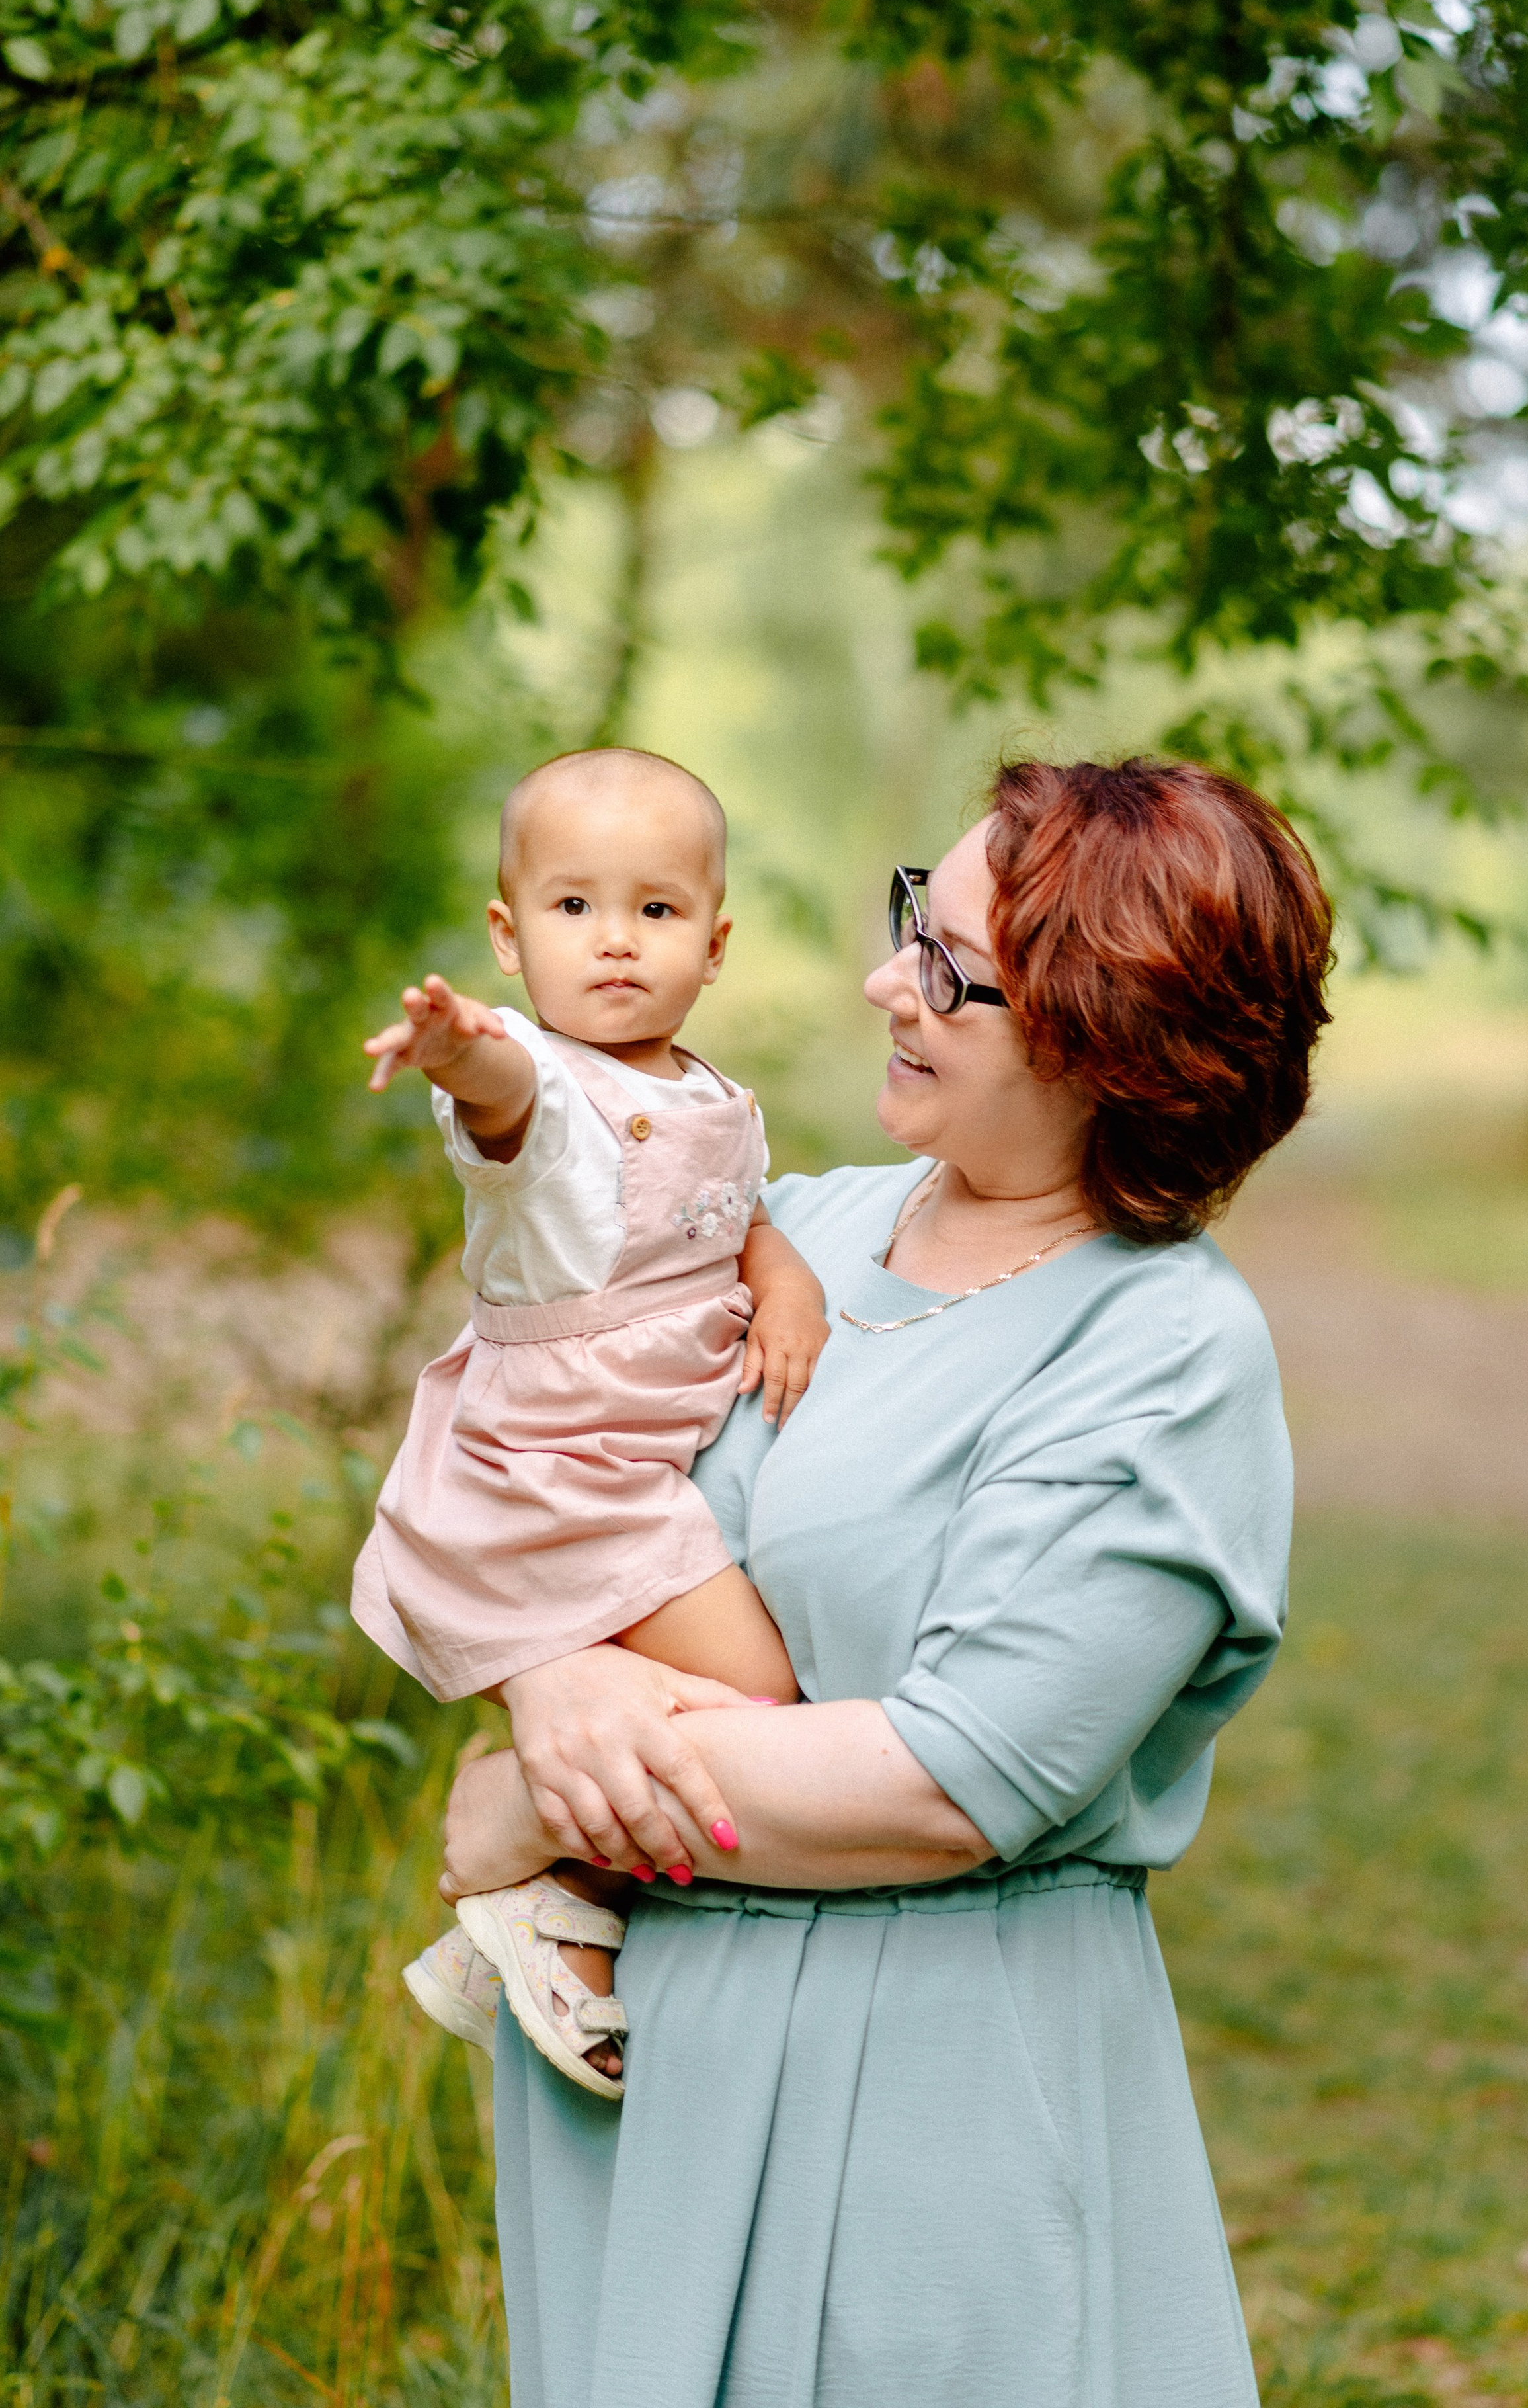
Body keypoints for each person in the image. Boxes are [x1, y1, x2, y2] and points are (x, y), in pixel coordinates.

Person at [441, 755, 1334, 2408]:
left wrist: (541, 1807)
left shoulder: (1161, 1350)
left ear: (1108, 1037)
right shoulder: (795, 1223)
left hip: (927, 2086)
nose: (883, 980)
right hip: (644, 2065)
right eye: (913, 915)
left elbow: (950, 1778)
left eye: (950, 965)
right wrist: (548, 1685)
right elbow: (539, 1450)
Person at [352, 747, 828, 2096]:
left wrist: (777, 1278)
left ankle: (534, 1908)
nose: (613, 942)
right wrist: (461, 1053)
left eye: (656, 911)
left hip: (625, 1464)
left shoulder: (705, 1092)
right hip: (562, 1474)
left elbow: (738, 1216)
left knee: (692, 1701)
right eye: (571, 909)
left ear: (715, 940)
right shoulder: (547, 1094)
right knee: (757, 1697)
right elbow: (508, 1108)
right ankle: (536, 1871)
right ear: (507, 936)